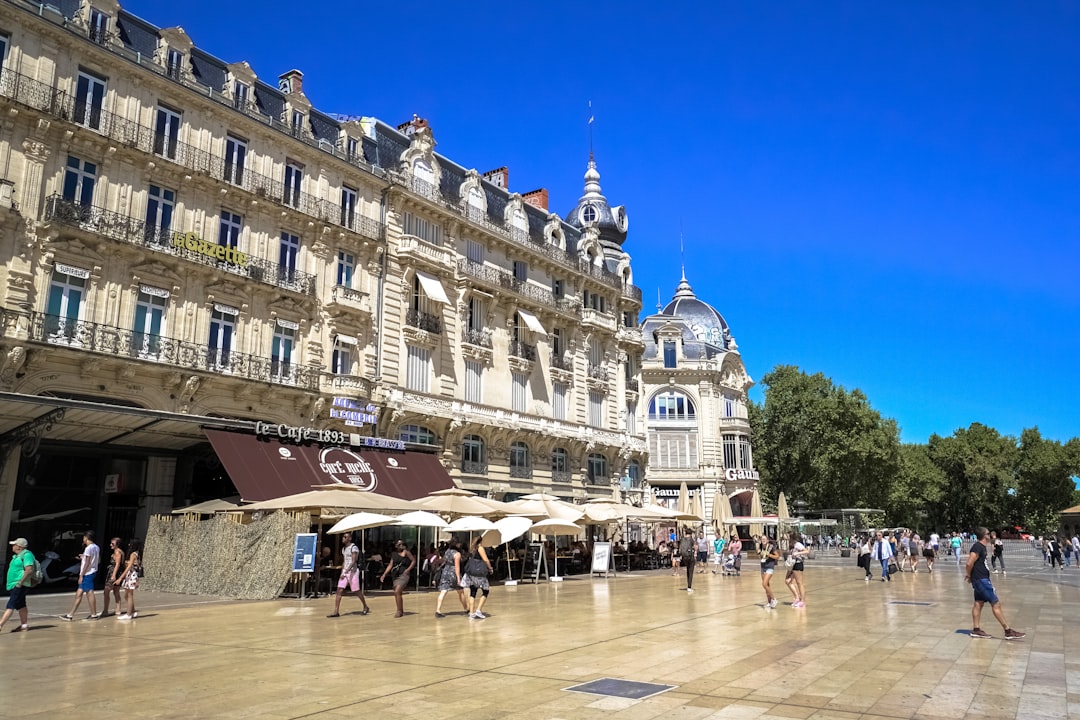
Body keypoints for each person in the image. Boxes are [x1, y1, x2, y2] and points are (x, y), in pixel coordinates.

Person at [966, 527, 1025, 640]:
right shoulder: (977, 546)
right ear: (985, 536)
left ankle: (976, 630)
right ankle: (1007, 631)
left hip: (980, 579)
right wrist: (968, 575)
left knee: (978, 603)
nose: (991, 535)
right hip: (981, 580)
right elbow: (969, 563)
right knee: (995, 604)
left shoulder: (981, 547)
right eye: (988, 533)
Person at [327, 532, 370, 618]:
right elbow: (345, 561)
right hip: (345, 572)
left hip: (353, 572)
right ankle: (336, 611)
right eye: (343, 537)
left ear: (349, 538)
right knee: (339, 590)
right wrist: (342, 571)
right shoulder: (343, 549)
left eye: (345, 537)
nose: (343, 538)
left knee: (356, 590)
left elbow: (353, 561)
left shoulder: (353, 548)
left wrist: (346, 571)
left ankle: (365, 606)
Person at [61, 530, 101, 621]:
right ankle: (70, 615)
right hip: (92, 571)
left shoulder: (88, 548)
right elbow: (94, 560)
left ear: (86, 537)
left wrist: (81, 575)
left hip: (87, 573)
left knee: (89, 593)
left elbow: (87, 563)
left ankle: (93, 614)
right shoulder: (96, 547)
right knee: (79, 593)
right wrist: (83, 557)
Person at [0, 538, 34, 633]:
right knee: (21, 604)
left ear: (19, 546)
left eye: (14, 544)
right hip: (14, 584)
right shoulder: (17, 556)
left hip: (20, 585)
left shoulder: (27, 555)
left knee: (11, 604)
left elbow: (29, 569)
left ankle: (0, 624)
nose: (12, 546)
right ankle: (24, 625)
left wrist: (20, 582)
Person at [380, 539, 416, 618]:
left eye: (401, 544)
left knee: (397, 591)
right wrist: (384, 574)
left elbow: (413, 561)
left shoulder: (406, 552)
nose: (400, 546)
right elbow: (390, 565)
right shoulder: (394, 554)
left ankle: (399, 611)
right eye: (398, 545)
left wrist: (408, 569)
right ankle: (400, 609)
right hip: (395, 575)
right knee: (397, 593)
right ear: (396, 546)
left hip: (404, 574)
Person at [434, 539, 468, 617]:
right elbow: (457, 567)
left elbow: (444, 561)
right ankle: (466, 608)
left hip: (445, 572)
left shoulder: (447, 551)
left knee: (443, 591)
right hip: (453, 573)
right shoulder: (457, 554)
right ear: (457, 544)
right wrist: (458, 578)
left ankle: (438, 610)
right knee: (460, 591)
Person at [461, 537, 494, 619]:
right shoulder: (480, 548)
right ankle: (478, 610)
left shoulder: (472, 549)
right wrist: (490, 568)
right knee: (486, 591)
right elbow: (485, 559)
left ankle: (471, 613)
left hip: (471, 573)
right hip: (479, 573)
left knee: (473, 591)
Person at [115, 539, 141, 620]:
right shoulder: (137, 554)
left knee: (129, 595)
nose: (128, 544)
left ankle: (129, 614)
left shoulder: (133, 554)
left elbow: (129, 567)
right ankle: (132, 611)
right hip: (132, 575)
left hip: (131, 575)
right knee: (127, 595)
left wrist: (120, 577)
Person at [102, 537, 125, 617]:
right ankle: (118, 610)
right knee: (116, 591)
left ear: (117, 544)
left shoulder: (117, 552)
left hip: (114, 573)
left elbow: (117, 564)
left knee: (106, 591)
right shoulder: (120, 552)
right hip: (117, 573)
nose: (110, 545)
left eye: (113, 544)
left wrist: (114, 575)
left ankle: (105, 610)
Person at [785, 532, 808, 608]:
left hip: (798, 563)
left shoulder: (797, 544)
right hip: (792, 564)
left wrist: (797, 554)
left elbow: (806, 551)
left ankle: (802, 601)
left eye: (787, 535)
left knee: (799, 583)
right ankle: (797, 597)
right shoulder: (790, 544)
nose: (786, 537)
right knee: (788, 581)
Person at [759, 534, 780, 608]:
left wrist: (769, 555)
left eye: (764, 539)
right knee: (767, 585)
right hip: (763, 567)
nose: (763, 540)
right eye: (762, 539)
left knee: (764, 584)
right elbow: (760, 554)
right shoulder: (760, 547)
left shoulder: (771, 547)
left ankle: (774, 599)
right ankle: (769, 602)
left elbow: (777, 556)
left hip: (769, 567)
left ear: (767, 540)